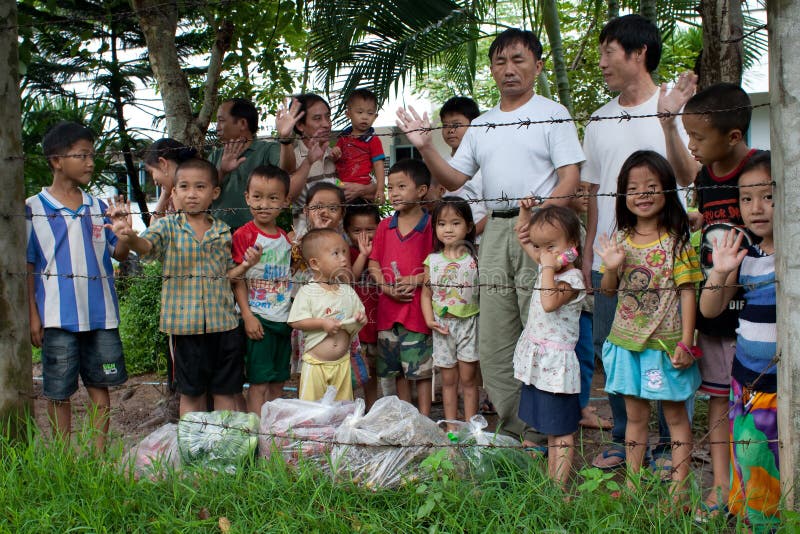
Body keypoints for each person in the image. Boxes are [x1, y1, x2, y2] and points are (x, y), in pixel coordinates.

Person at [396, 28, 583, 444]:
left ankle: (551, 433)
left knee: (545, 328)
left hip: (544, 229)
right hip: (497, 231)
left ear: (537, 65)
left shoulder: (553, 113)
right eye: (500, 62)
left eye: (518, 60)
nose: (509, 70)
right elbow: (456, 178)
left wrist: (541, 224)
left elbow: (571, 176)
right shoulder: (481, 125)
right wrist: (426, 148)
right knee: (496, 339)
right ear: (492, 70)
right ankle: (518, 435)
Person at [582, 13, 697, 470]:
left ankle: (672, 444)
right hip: (614, 257)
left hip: (667, 254)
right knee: (615, 346)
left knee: (669, 345)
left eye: (609, 51)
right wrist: (592, 252)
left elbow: (689, 176)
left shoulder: (677, 107)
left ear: (639, 52)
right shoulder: (597, 121)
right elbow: (592, 195)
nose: (602, 62)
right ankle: (621, 439)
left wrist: (670, 123)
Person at [666, 82, 757, 514]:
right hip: (716, 310)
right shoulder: (705, 176)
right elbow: (694, 192)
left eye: (698, 137)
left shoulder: (762, 172)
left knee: (757, 400)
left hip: (760, 311)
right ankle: (722, 484)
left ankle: (756, 483)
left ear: (733, 136)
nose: (692, 145)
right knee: (719, 398)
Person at [594, 150, 703, 498]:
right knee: (635, 419)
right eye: (633, 187)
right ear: (623, 194)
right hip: (627, 345)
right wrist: (611, 265)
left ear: (668, 191)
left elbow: (688, 292)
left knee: (674, 420)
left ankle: (680, 490)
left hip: (666, 348)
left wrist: (686, 343)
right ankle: (633, 485)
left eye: (651, 186)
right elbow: (608, 292)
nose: (642, 194)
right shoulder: (621, 239)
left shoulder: (677, 240)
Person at [107, 158, 245, 417]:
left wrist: (247, 265)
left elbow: (229, 274)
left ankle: (225, 449)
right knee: (192, 393)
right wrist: (131, 237)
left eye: (200, 187)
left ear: (214, 193)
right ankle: (194, 449)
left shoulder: (223, 231)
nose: (192, 194)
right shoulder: (167, 227)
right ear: (175, 192)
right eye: (184, 187)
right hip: (186, 327)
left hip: (224, 324)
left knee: (225, 391)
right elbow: (147, 247)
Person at [26, 121, 130, 452]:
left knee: (101, 386)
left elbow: (117, 251)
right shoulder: (32, 210)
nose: (90, 162)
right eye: (81, 155)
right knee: (59, 391)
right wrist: (33, 315)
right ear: (57, 160)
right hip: (57, 318)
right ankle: (63, 459)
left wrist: (126, 233)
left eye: (91, 155)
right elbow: (27, 266)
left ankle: (97, 458)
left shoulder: (99, 208)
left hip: (101, 316)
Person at [698, 151, 778, 530]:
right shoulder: (746, 254)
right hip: (744, 383)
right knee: (748, 460)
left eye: (768, 196)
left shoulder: (791, 257)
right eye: (746, 198)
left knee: (774, 464)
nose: (756, 208)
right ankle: (750, 518)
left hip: (781, 388)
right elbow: (711, 308)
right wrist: (721, 271)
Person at [514, 204, 586, 487]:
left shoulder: (573, 279)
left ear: (573, 245)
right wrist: (524, 215)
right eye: (540, 246)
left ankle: (560, 488)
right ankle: (551, 481)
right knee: (551, 427)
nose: (544, 253)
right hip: (540, 361)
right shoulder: (550, 267)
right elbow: (525, 238)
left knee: (562, 430)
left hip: (558, 367)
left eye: (552, 246)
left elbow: (548, 302)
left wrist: (545, 265)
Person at [292, 183, 373, 398]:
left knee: (343, 375)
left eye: (332, 208)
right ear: (306, 210)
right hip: (313, 311)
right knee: (311, 371)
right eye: (318, 207)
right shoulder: (301, 238)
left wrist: (363, 256)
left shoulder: (342, 242)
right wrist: (317, 227)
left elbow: (348, 278)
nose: (324, 212)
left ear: (342, 213)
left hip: (339, 310)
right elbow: (294, 266)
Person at [369, 159, 434, 415]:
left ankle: (426, 419)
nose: (393, 193)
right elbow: (374, 262)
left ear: (421, 191)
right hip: (388, 312)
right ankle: (409, 418)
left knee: (420, 370)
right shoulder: (386, 226)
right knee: (399, 372)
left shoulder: (431, 225)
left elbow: (437, 265)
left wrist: (415, 280)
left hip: (417, 311)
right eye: (390, 187)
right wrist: (385, 287)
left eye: (401, 186)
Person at [229, 165, 294, 415]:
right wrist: (247, 315)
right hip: (259, 320)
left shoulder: (285, 239)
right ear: (247, 197)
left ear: (285, 201)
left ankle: (272, 434)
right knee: (259, 383)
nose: (264, 204)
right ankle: (256, 436)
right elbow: (237, 278)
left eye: (273, 198)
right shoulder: (244, 235)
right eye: (257, 197)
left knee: (278, 382)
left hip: (282, 319)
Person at [288, 228, 367, 401]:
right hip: (316, 364)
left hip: (342, 363)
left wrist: (360, 319)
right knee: (312, 408)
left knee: (342, 407)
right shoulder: (308, 292)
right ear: (315, 264)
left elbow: (360, 314)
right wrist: (322, 324)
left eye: (344, 252)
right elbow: (296, 321)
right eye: (336, 253)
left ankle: (340, 429)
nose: (344, 258)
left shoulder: (347, 291)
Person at [421, 197, 480, 427]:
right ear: (435, 227)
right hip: (443, 326)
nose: (448, 229)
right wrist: (429, 320)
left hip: (469, 323)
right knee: (448, 379)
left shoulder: (474, 259)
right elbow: (426, 295)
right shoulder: (432, 261)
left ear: (468, 226)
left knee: (468, 378)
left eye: (455, 223)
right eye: (442, 224)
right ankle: (452, 426)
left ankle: (472, 426)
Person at [210, 97, 301, 231]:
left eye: (221, 121)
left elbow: (287, 170)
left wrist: (286, 139)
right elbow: (204, 191)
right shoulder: (216, 155)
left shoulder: (267, 150)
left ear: (242, 123)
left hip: (257, 234)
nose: (217, 128)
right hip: (218, 234)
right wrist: (222, 171)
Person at [569, 181, 611, 430]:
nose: (585, 196)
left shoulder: (582, 224)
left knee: (584, 356)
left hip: (588, 303)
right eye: (579, 190)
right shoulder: (568, 227)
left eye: (588, 191)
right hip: (577, 306)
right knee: (582, 357)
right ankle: (581, 408)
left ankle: (580, 403)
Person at [344, 198, 382, 408]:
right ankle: (348, 408)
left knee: (374, 369)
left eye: (370, 229)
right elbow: (351, 277)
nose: (364, 236)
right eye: (357, 230)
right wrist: (363, 255)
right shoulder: (346, 253)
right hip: (355, 324)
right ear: (346, 230)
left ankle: (371, 406)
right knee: (353, 369)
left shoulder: (381, 250)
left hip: (377, 320)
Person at [437, 97, 488, 240]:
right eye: (445, 125)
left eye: (457, 124)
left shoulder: (484, 165)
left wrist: (469, 235)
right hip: (449, 244)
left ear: (474, 125)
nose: (450, 130)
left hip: (480, 241)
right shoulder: (442, 167)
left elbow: (493, 212)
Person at [333, 88, 386, 203]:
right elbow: (334, 158)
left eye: (370, 113)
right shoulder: (343, 137)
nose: (365, 117)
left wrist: (380, 190)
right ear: (348, 114)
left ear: (375, 116)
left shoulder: (373, 140)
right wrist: (335, 151)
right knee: (332, 183)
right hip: (340, 185)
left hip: (362, 188)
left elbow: (378, 165)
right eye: (360, 112)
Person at [142, 138, 197, 219]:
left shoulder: (189, 196)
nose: (155, 183)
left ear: (163, 164)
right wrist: (165, 193)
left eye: (151, 172)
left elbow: (155, 228)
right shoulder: (172, 195)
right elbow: (154, 228)